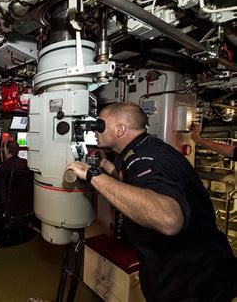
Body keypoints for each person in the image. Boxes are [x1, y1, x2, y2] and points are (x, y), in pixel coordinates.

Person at [66, 102, 236, 302]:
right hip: (187, 270)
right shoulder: (143, 149)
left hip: (192, 280)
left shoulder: (145, 159)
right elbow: (140, 189)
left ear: (120, 130)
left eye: (99, 125)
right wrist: (109, 169)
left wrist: (92, 175)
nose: (94, 130)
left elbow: (169, 218)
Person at [0, 140, 30, 204]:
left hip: (8, 205)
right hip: (25, 204)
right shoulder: (26, 164)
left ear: (7, 150)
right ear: (18, 151)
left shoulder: (2, 167)